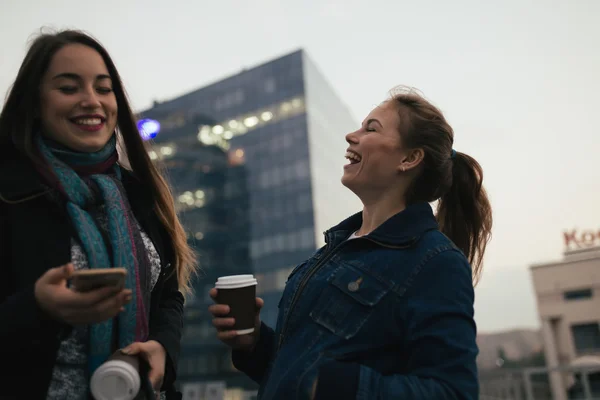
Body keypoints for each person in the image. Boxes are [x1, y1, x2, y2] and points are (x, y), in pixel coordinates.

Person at [209, 87, 492, 399]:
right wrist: (254, 342)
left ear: (410, 158)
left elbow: (452, 392)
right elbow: (296, 373)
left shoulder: (435, 261)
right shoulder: (334, 250)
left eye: (371, 128)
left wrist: (337, 386)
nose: (350, 135)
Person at [0, 30, 196, 399]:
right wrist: (38, 307)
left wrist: (163, 349)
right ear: (35, 102)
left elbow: (168, 294)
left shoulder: (137, 192)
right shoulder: (9, 192)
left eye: (103, 88)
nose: (92, 101)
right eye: (69, 88)